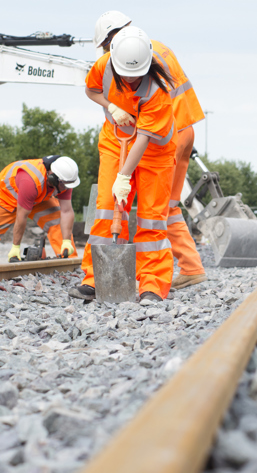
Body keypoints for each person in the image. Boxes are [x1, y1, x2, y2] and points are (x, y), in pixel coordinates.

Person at [91, 11, 207, 290]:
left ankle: (160, 274)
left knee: (155, 210)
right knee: (166, 206)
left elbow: (145, 128)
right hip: (182, 130)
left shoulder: (141, 64)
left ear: (111, 39)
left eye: (107, 47)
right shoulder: (153, 48)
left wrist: (123, 175)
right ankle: (191, 267)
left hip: (164, 136)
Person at [70, 26, 176, 305]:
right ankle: (94, 278)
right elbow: (90, 90)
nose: (130, 79)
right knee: (106, 208)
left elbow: (143, 138)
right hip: (115, 141)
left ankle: (152, 284)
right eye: (124, 74)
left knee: (152, 219)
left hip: (155, 152)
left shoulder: (159, 89)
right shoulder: (105, 64)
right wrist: (111, 106)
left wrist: (124, 176)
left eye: (136, 74)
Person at [0, 156, 79, 265]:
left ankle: (70, 264)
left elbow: (66, 211)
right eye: (64, 185)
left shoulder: (66, 180)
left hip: (37, 198)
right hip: (5, 198)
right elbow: (21, 216)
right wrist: (15, 247)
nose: (67, 188)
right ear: (52, 178)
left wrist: (66, 241)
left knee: (57, 221)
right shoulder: (31, 181)